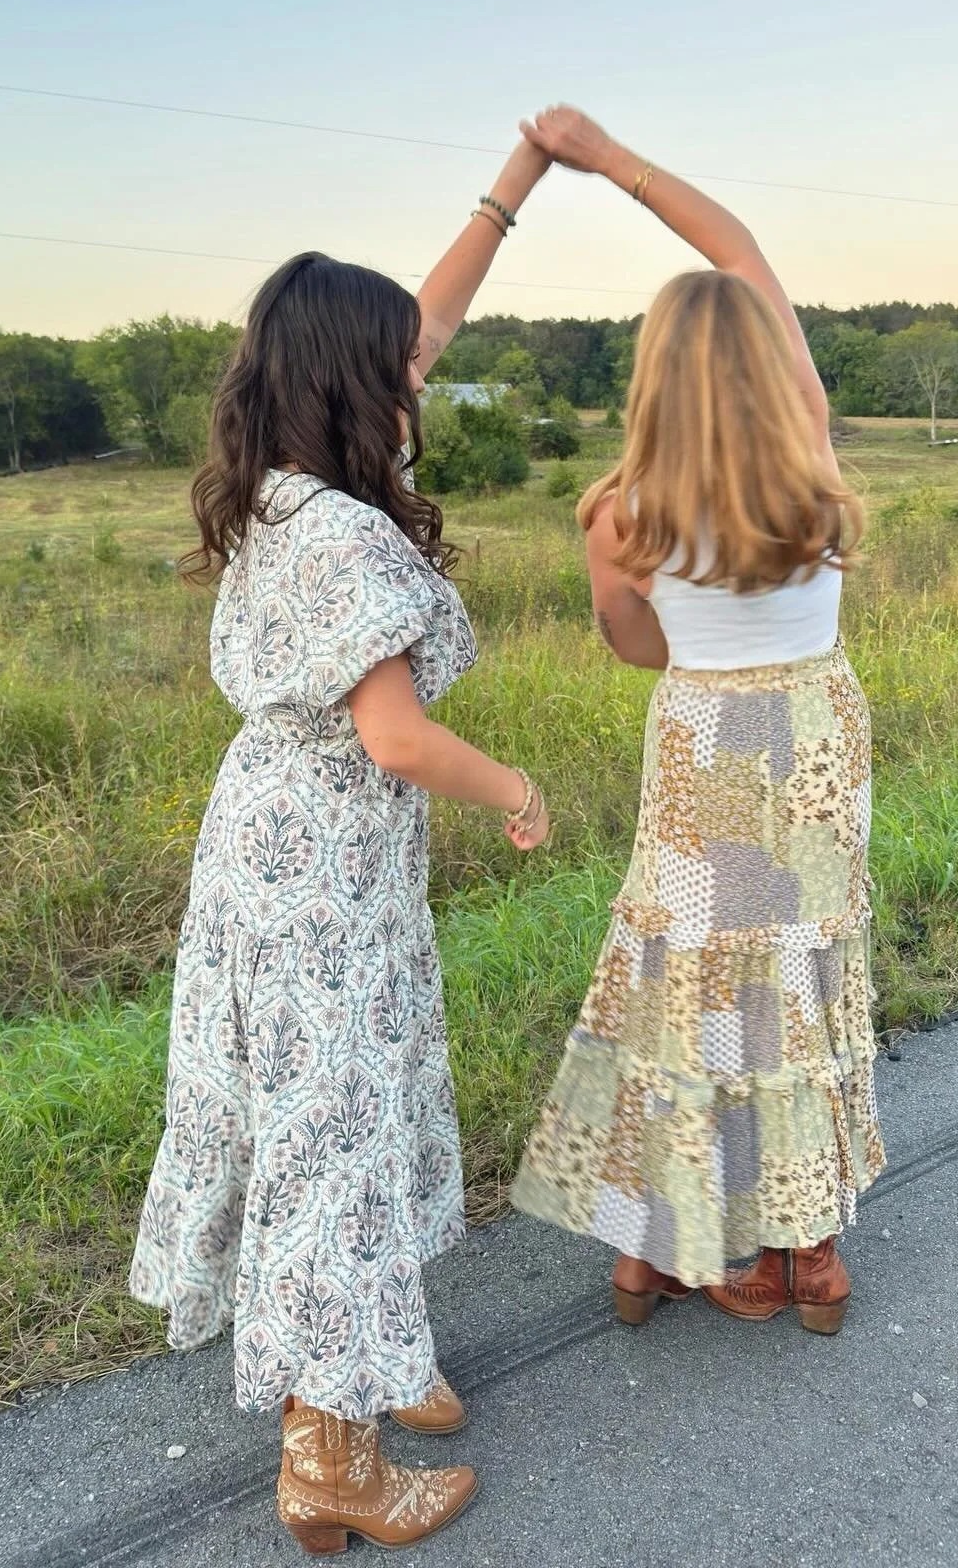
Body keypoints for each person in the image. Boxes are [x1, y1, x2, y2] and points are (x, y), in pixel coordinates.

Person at [129, 138, 552, 1556]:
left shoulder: (277, 498)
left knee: (337, 1098)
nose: (419, 384)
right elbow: (397, 738)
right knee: (333, 1126)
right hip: (325, 859)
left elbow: (430, 321)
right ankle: (331, 1459)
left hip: (269, 840)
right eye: (401, 370)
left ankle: (376, 1357)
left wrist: (514, 185)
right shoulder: (354, 541)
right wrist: (514, 787)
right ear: (359, 384)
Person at [511, 106, 886, 1336]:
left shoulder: (619, 512)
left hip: (701, 739)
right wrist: (614, 160)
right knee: (797, 971)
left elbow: (638, 648)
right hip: (815, 731)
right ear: (773, 364)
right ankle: (806, 1258)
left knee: (691, 983)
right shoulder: (813, 459)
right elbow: (738, 248)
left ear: (651, 377)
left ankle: (659, 1252)